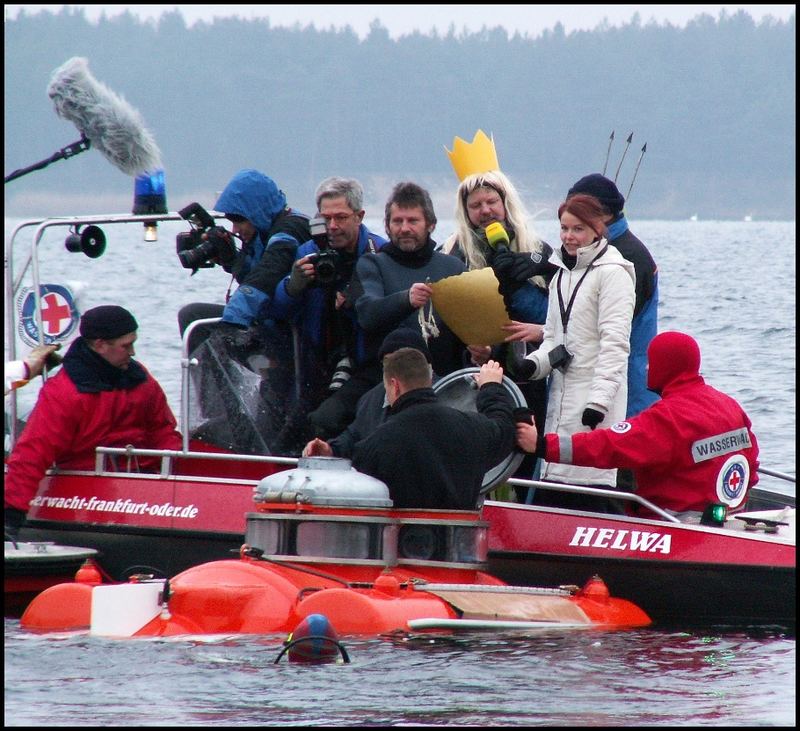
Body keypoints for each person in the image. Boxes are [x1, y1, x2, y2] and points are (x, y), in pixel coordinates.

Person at [517, 331, 760, 521]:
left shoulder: (668, 418)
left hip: (671, 522)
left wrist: (541, 445)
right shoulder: (729, 405)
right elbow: (751, 462)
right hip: (728, 516)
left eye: (652, 361)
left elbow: (608, 446)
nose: (646, 368)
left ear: (668, 366)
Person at [442, 130, 558, 495]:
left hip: (534, 368)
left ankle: (532, 500)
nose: (485, 211)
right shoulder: (453, 253)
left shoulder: (538, 248)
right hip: (482, 369)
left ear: (505, 203)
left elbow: (561, 309)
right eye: (476, 206)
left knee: (530, 445)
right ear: (466, 212)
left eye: (491, 201)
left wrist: (533, 270)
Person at [4, 306, 182, 538]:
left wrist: (171, 479)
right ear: (100, 345)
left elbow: (163, 431)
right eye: (126, 346)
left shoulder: (141, 381)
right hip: (85, 492)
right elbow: (34, 452)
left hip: (144, 486)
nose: (133, 352)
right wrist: (12, 514)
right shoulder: (65, 393)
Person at [176, 169, 311, 454]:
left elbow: (269, 274)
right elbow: (258, 279)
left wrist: (232, 321)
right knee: (194, 319)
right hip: (269, 325)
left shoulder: (290, 230)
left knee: (275, 418)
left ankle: (254, 437)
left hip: (293, 336)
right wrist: (232, 260)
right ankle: (219, 413)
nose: (235, 229)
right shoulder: (262, 232)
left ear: (258, 210)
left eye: (239, 219)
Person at [519, 193, 635, 509]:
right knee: (555, 474)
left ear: (597, 229)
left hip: (596, 398)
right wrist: (532, 366)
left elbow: (615, 344)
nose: (569, 237)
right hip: (561, 397)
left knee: (589, 479)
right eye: (565, 228)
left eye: (578, 229)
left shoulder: (614, 273)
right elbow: (554, 341)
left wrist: (598, 403)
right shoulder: (561, 274)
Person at [270, 177, 387, 441]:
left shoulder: (379, 253)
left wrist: (357, 299)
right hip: (316, 361)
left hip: (365, 365)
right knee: (293, 435)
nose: (333, 226)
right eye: (326, 218)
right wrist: (292, 286)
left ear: (360, 216)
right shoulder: (309, 252)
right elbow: (278, 312)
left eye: (341, 217)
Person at [352, 349, 516, 510]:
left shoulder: (375, 445)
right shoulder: (471, 428)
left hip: (402, 535)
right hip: (459, 533)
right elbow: (505, 429)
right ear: (429, 380)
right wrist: (491, 387)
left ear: (395, 386)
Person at [352, 180, 469, 380]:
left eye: (413, 221)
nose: (404, 228)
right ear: (387, 227)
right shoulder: (371, 264)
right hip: (382, 380)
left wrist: (480, 352)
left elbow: (471, 329)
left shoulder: (454, 268)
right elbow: (368, 315)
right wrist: (406, 299)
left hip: (446, 382)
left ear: (430, 224)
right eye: (397, 221)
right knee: (326, 414)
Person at [567, 173, 658, 420]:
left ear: (604, 215)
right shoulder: (599, 251)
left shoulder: (626, 257)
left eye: (580, 214)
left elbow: (593, 325)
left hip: (628, 388)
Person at [302, 326, 432, 459]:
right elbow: (353, 437)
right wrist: (331, 450)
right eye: (389, 365)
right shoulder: (371, 399)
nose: (396, 370)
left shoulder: (447, 394)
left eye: (405, 363)